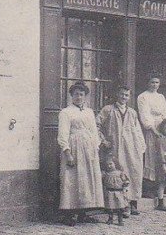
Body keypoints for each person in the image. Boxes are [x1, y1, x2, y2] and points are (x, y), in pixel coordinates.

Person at [57, 81, 104, 226]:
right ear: (71, 96)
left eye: (81, 94)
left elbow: (94, 132)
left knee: (87, 180)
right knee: (72, 179)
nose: (79, 97)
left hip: (88, 149)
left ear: (85, 96)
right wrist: (67, 152)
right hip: (74, 147)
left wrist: (95, 148)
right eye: (76, 94)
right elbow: (62, 134)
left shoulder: (89, 112)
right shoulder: (66, 112)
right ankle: (69, 215)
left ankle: (84, 213)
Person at [97, 84, 146, 216]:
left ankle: (132, 202)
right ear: (117, 95)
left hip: (130, 148)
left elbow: (137, 131)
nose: (124, 97)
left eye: (126, 95)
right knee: (117, 175)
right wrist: (103, 140)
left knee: (132, 173)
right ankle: (119, 205)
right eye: (121, 94)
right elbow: (96, 125)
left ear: (129, 97)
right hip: (114, 148)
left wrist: (141, 147)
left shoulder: (132, 112)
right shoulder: (108, 110)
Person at [137, 74, 166, 192]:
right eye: (152, 82)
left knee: (161, 155)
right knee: (151, 155)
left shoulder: (161, 97)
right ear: (148, 83)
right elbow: (144, 114)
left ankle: (161, 186)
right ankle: (149, 187)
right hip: (150, 129)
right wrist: (153, 129)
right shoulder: (143, 97)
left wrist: (165, 127)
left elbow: (165, 112)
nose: (154, 85)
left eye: (157, 82)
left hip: (162, 127)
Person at [101, 155, 129, 226]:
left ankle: (120, 219)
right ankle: (110, 218)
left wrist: (125, 183)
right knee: (110, 207)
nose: (109, 166)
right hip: (109, 192)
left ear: (115, 164)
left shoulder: (120, 173)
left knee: (120, 207)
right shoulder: (106, 174)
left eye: (111, 164)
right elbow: (102, 181)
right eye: (107, 165)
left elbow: (125, 180)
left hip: (119, 192)